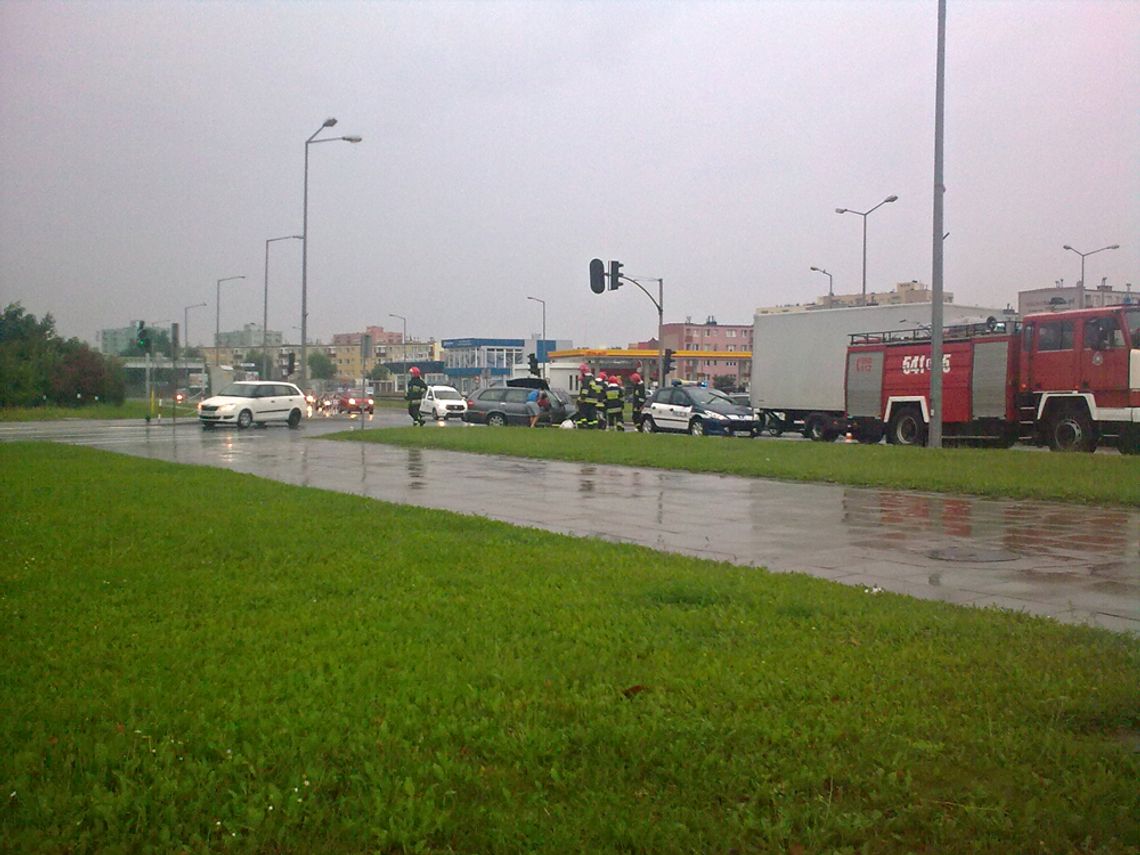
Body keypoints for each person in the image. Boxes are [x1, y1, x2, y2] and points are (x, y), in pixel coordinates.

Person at [576, 364, 598, 429]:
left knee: (583, 413)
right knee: (592, 414)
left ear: (583, 371)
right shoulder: (592, 379)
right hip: (593, 400)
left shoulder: (586, 379)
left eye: (581, 371)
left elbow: (585, 390)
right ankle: (593, 426)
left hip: (587, 400)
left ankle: (584, 425)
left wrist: (582, 398)